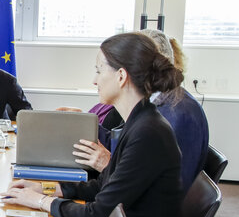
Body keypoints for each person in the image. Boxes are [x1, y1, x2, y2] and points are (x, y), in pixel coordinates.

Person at [2, 32, 186, 217]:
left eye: (100, 70)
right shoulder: (140, 121)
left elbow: (98, 215)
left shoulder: (148, 133)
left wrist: (40, 202)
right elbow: (104, 187)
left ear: (121, 76)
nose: (94, 79)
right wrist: (48, 189)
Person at [72, 29, 209, 190]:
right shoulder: (151, 103)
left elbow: (166, 189)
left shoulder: (179, 114)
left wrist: (109, 164)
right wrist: (83, 124)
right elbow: (126, 144)